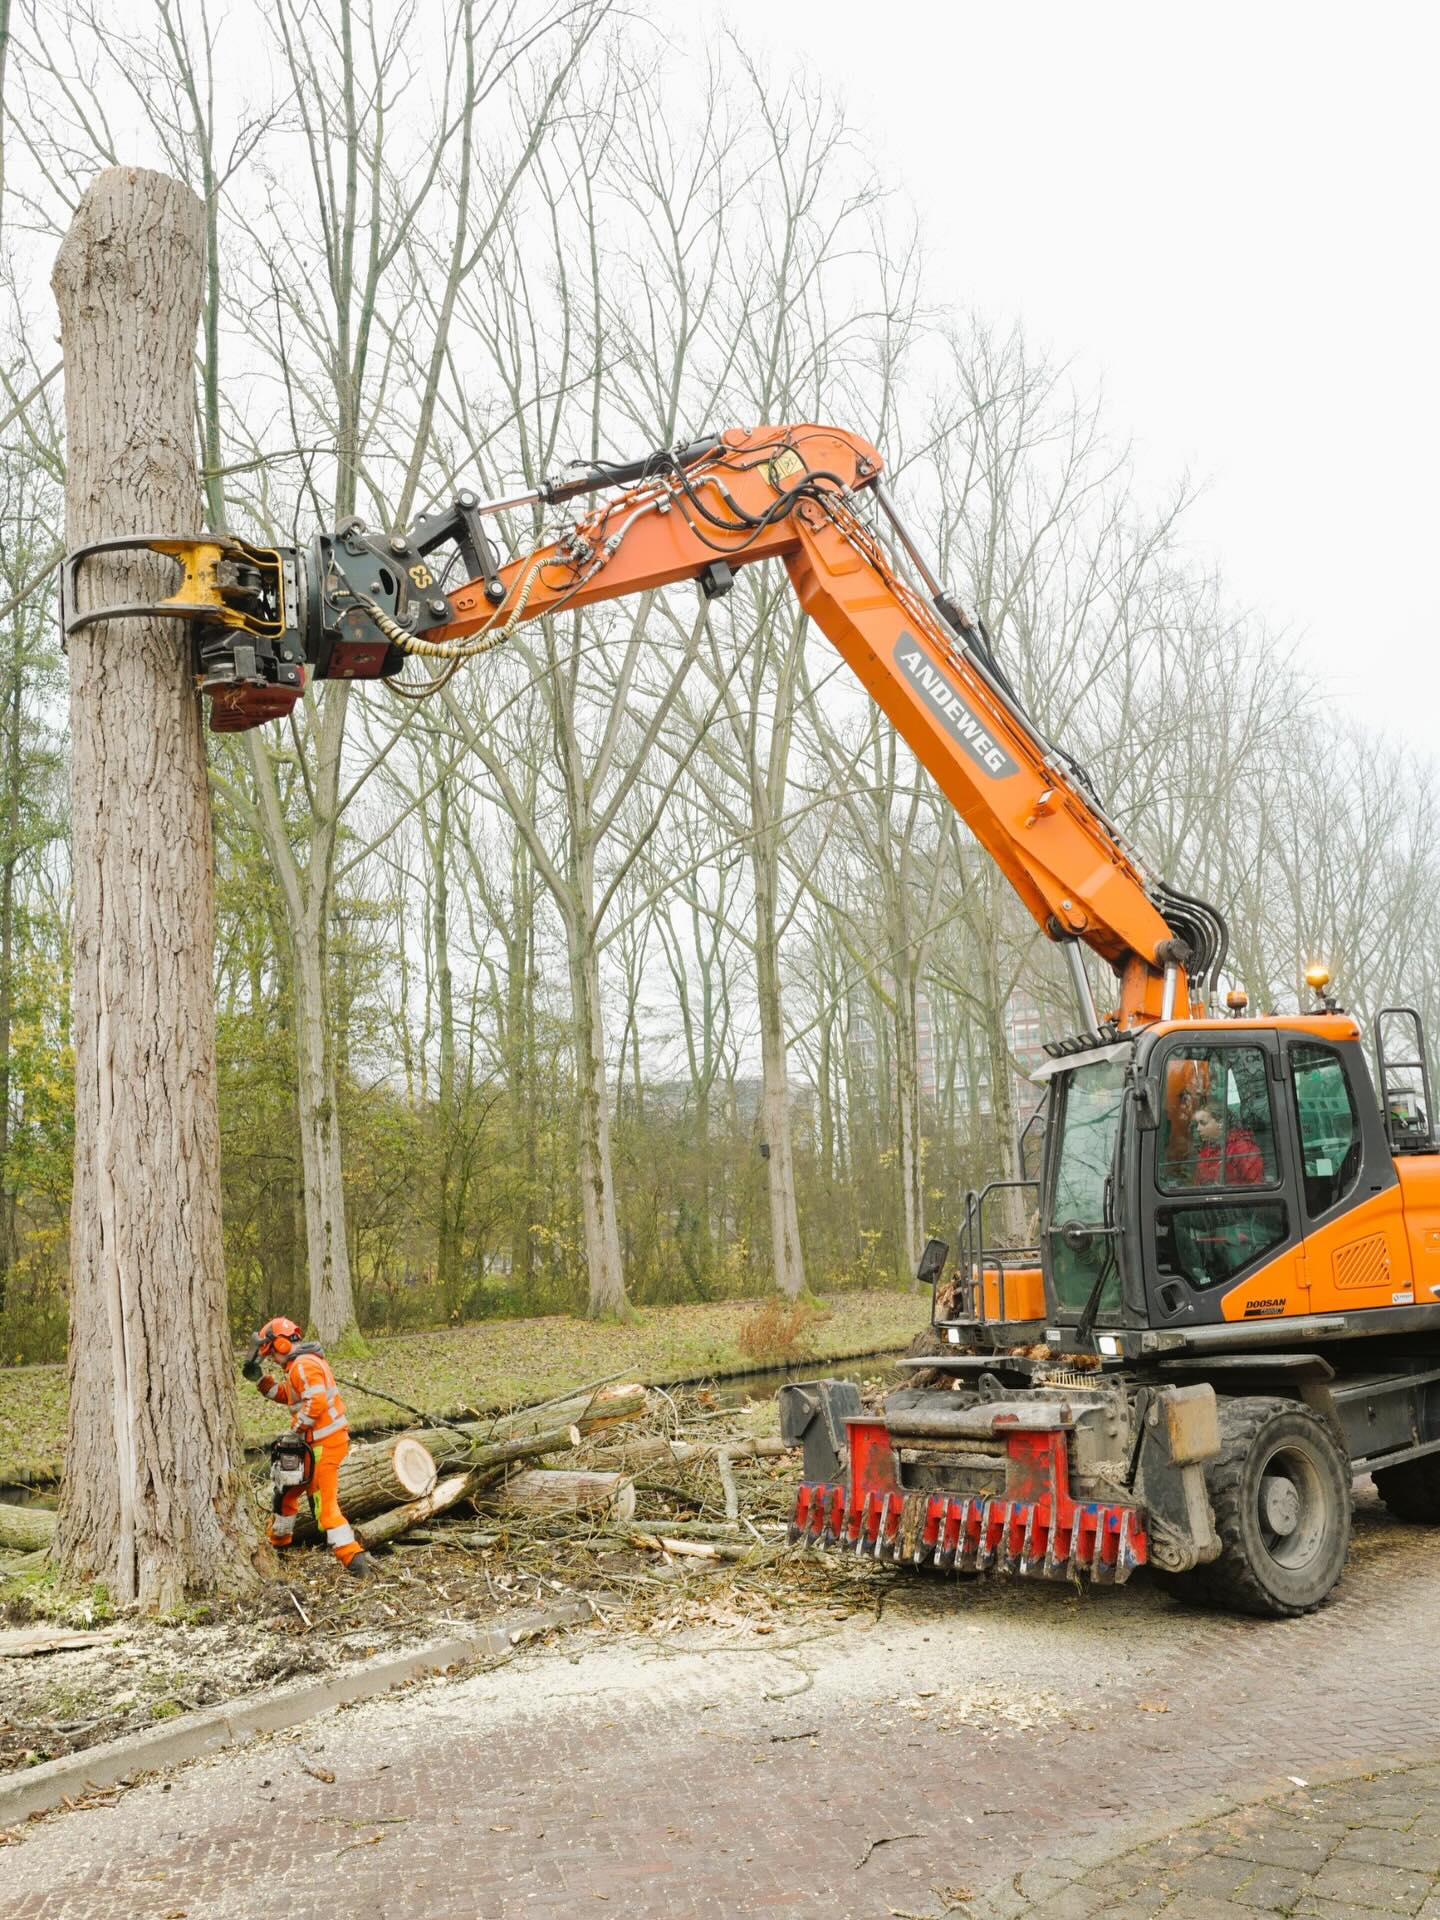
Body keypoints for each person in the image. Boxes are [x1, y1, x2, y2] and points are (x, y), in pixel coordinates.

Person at [242, 1316, 373, 1578]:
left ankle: (356, 1563)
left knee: (325, 1507)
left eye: (271, 1354)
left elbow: (316, 1403)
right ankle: (278, 1549)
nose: (272, 1360)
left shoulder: (304, 1365)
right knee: (286, 1495)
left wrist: (295, 1430)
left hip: (326, 1442)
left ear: (280, 1345)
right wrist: (261, 1382)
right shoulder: (296, 1366)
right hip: (311, 1443)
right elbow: (288, 1395)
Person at [1191, 1101, 1265, 1186]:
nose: (1198, 1128)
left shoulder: (1242, 1148)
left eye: (1203, 1123)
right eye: (1197, 1124)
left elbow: (1255, 1186)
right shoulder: (1206, 1151)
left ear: (1221, 1123)